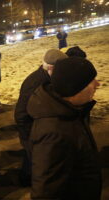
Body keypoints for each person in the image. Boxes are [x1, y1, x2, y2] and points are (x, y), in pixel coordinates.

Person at [28, 57, 102, 199]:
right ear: (75, 88)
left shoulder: (71, 111)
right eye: (91, 81)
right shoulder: (53, 132)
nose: (97, 84)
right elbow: (45, 191)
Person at [14, 49, 67, 186]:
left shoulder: (47, 78)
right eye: (61, 68)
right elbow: (21, 113)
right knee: (34, 158)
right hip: (32, 130)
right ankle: (26, 180)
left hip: (38, 129)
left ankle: (27, 178)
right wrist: (28, 135)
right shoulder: (36, 83)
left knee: (33, 157)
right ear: (50, 67)